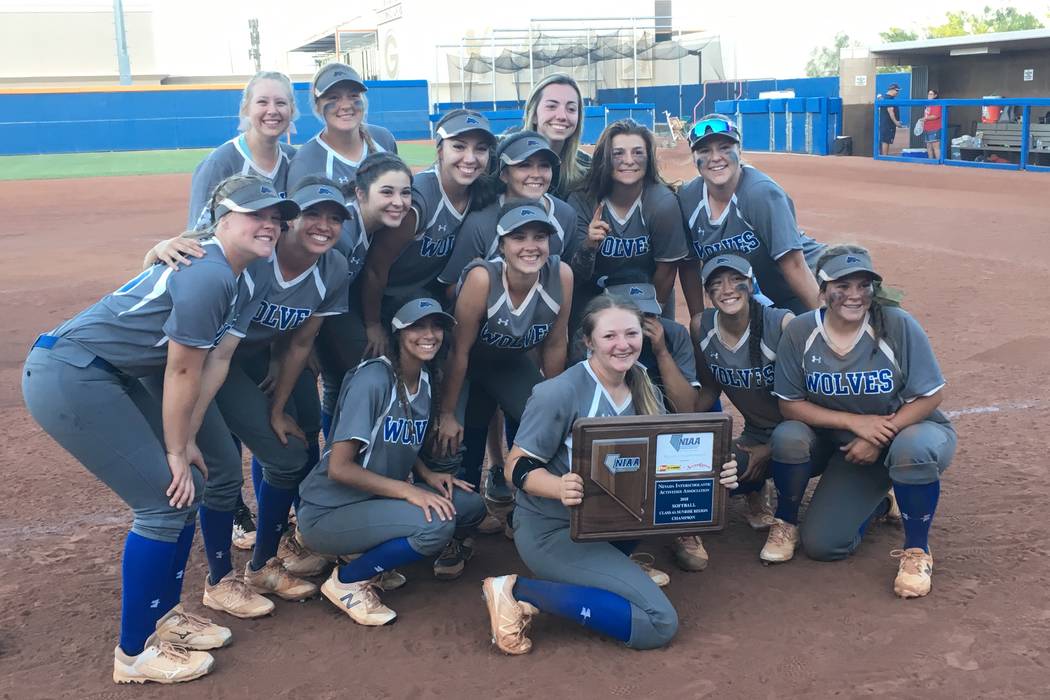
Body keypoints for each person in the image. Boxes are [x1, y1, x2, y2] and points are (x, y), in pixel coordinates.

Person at [21, 175, 297, 684]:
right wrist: (176, 447)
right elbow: (182, 370)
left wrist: (188, 438)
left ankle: (164, 618)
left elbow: (213, 363)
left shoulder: (242, 275)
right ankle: (134, 654)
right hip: (74, 376)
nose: (271, 225)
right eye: (257, 214)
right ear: (222, 220)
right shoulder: (210, 272)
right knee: (162, 500)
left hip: (110, 375)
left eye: (277, 218)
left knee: (183, 493)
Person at [480, 295, 740, 654]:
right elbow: (517, 466)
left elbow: (665, 457)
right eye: (609, 336)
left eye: (631, 334)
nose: (623, 344)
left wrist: (714, 474)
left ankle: (613, 570)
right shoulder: (559, 391)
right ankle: (517, 591)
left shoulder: (641, 381)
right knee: (658, 624)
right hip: (555, 528)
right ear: (588, 341)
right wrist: (558, 486)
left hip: (614, 523)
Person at [147, 177, 356, 601]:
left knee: (304, 430)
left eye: (334, 218)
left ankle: (271, 554)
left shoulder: (333, 266)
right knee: (258, 460)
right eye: (312, 214)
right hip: (211, 360)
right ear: (289, 221)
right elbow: (196, 253)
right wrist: (156, 249)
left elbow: (300, 342)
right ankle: (229, 575)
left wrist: (279, 405)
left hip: (260, 357)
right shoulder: (261, 252)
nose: (323, 225)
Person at [767, 245, 955, 599]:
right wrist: (856, 424)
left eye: (863, 284)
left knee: (912, 449)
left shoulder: (897, 324)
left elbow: (931, 396)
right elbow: (790, 405)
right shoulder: (802, 331)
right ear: (822, 290)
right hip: (849, 446)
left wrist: (877, 436)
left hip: (911, 432)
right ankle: (881, 500)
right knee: (823, 545)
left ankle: (917, 550)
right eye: (842, 284)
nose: (854, 294)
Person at [296, 298, 486, 625]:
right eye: (417, 326)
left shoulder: (426, 380)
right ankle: (348, 581)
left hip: (373, 501)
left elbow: (398, 442)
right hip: (328, 512)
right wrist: (409, 491)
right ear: (397, 332)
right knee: (437, 525)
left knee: (469, 506)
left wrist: (427, 474)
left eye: (436, 326)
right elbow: (340, 467)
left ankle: (365, 553)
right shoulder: (372, 379)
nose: (429, 334)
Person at [435, 202, 573, 548]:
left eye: (539, 236)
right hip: (465, 366)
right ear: (501, 245)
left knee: (549, 431)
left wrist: (553, 407)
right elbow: (459, 350)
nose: (530, 245)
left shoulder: (562, 275)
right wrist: (448, 412)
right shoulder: (484, 278)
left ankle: (533, 516)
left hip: (508, 364)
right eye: (519, 237)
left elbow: (556, 344)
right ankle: (456, 532)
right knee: (451, 441)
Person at [358, 110, 496, 361]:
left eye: (481, 149)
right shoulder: (419, 201)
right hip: (385, 295)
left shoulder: (480, 193)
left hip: (426, 292)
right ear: (440, 149)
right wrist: (372, 324)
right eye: (459, 146)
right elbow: (375, 269)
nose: (470, 158)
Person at [676, 115, 825, 317]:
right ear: (694, 158)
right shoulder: (688, 198)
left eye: (725, 148)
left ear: (739, 150)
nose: (715, 157)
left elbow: (795, 265)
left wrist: (825, 323)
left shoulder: (760, 193)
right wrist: (699, 322)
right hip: (753, 296)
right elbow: (688, 264)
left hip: (804, 285)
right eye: (704, 150)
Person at [691, 254, 792, 544]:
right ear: (707, 292)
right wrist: (676, 426)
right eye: (716, 283)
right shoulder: (701, 326)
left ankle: (788, 518)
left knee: (791, 444)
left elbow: (806, 401)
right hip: (756, 434)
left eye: (737, 280)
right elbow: (709, 389)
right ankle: (755, 487)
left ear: (751, 284)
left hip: (805, 434)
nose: (727, 289)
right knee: (707, 478)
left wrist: (768, 451)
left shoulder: (782, 323)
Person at [311, 153, 414, 430]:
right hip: (296, 327)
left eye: (406, 193)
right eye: (387, 192)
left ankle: (337, 455)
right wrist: (304, 345)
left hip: (326, 316)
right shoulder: (343, 232)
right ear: (360, 193)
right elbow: (309, 295)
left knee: (337, 383)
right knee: (370, 373)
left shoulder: (369, 226)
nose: (399, 201)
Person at [567, 119, 688, 328]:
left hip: (648, 295)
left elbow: (666, 271)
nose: (629, 160)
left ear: (649, 157)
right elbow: (576, 277)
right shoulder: (583, 200)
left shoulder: (662, 203)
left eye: (638, 152)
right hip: (593, 297)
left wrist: (650, 315)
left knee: (656, 351)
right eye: (618, 153)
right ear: (604, 158)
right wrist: (589, 246)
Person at [437, 130, 585, 290]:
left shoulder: (565, 214)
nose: (536, 174)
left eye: (544, 165)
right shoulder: (480, 221)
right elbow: (452, 286)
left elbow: (568, 276)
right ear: (504, 174)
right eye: (524, 165)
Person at [186, 71, 299, 231]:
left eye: (280, 103)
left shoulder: (294, 159)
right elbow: (198, 234)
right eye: (262, 102)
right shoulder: (219, 163)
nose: (272, 110)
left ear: (291, 110)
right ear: (246, 108)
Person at [287, 62, 398, 189]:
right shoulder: (305, 162)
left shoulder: (383, 139)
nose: (346, 105)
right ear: (317, 106)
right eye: (333, 98)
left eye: (353, 96)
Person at [522, 73, 590, 199]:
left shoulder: (587, 167)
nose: (562, 116)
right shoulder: (505, 160)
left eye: (571, 109)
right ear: (534, 114)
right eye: (552, 106)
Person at [879, 83, 904, 156]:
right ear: (892, 90)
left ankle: (884, 157)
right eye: (897, 90)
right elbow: (890, 111)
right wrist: (896, 122)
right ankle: (884, 157)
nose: (897, 92)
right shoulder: (888, 98)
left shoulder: (886, 97)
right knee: (885, 140)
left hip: (887, 123)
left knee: (886, 140)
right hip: (887, 123)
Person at [922, 89, 942, 160]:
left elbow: (936, 116)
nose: (929, 96)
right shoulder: (927, 104)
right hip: (927, 128)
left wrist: (924, 118)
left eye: (931, 94)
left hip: (935, 128)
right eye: (928, 94)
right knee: (928, 146)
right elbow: (927, 115)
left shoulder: (937, 104)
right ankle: (931, 163)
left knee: (935, 147)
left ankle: (939, 163)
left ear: (935, 95)